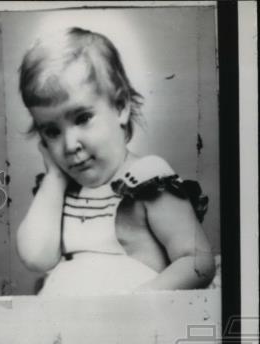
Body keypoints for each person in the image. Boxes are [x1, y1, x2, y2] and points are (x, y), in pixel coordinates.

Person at [15, 27, 214, 296]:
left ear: (121, 107)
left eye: (83, 118)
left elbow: (197, 261)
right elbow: (36, 258)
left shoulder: (146, 179)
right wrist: (54, 179)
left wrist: (140, 301)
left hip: (132, 325)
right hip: (67, 329)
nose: (69, 144)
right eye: (51, 131)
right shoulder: (60, 191)